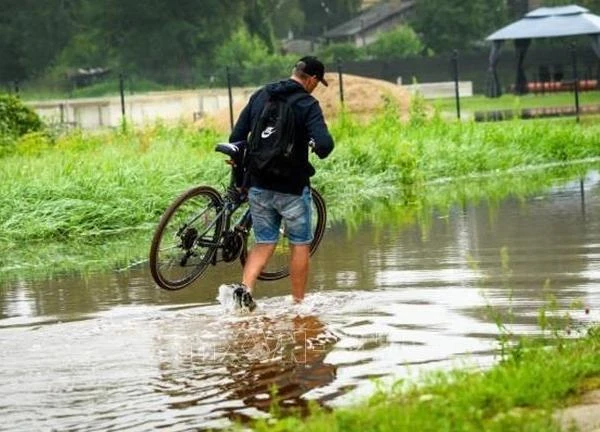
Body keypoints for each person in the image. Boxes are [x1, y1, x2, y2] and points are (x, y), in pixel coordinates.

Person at [228, 56, 334, 309]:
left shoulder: (262, 94)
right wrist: (315, 145)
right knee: (299, 244)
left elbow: (237, 136)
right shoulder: (307, 104)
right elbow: (325, 145)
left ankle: (245, 288)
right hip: (292, 188)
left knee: (264, 241)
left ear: (294, 72)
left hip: (258, 184)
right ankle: (298, 305)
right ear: (312, 79)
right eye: (317, 83)